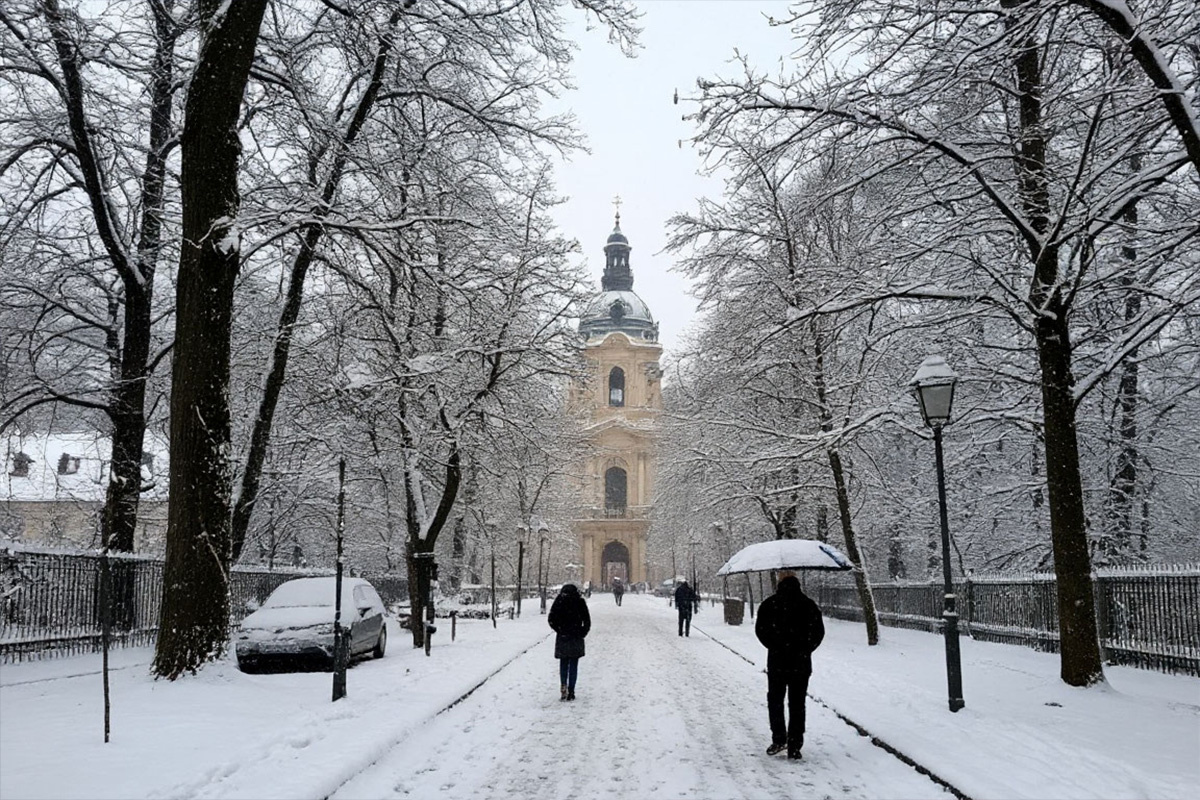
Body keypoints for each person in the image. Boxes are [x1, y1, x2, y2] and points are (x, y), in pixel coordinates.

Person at [754, 571, 825, 760]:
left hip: (777, 661)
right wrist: (805, 649)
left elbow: (761, 630)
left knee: (775, 701)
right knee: (797, 703)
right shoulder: (808, 605)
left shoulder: (769, 604)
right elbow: (818, 633)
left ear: (779, 582)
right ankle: (795, 745)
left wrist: (775, 645)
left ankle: (779, 739)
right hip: (801, 663)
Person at [548, 583, 591, 701]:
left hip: (563, 636)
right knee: (573, 665)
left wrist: (559, 629)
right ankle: (571, 690)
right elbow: (587, 620)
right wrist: (582, 632)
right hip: (576, 636)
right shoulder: (580, 601)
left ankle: (563, 685)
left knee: (563, 663)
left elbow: (551, 619)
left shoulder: (559, 601)